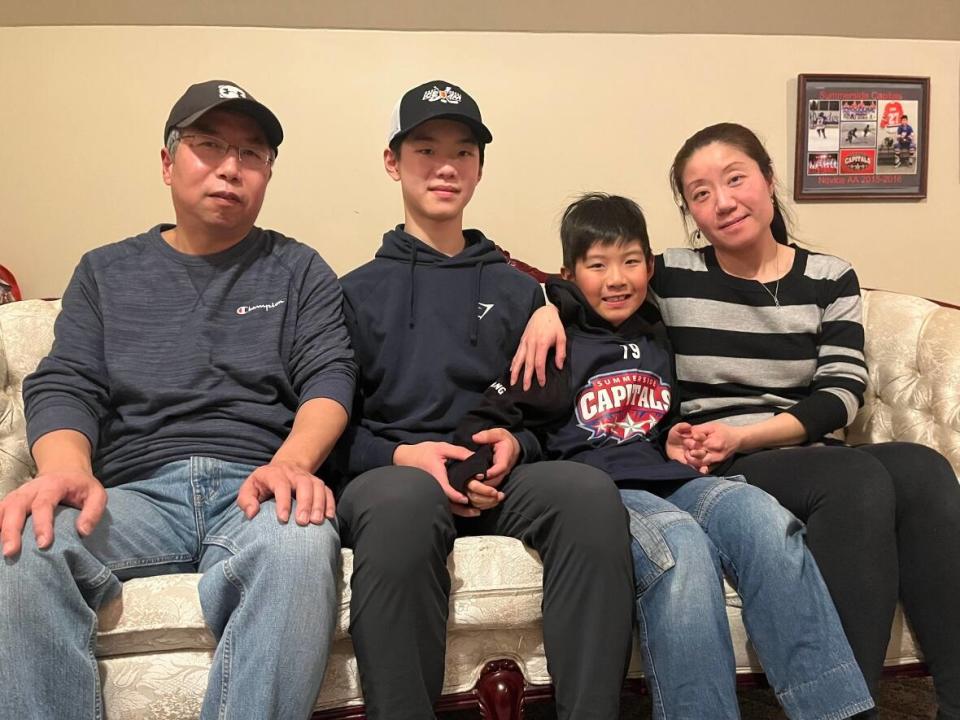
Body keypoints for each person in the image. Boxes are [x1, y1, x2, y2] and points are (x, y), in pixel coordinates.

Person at [512, 122, 960, 719]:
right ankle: (851, 709)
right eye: (699, 193)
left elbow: (843, 390)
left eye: (734, 179)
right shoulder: (671, 275)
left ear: (768, 181)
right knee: (853, 480)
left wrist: (748, 433)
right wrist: (544, 307)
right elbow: (593, 279)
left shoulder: (829, 277)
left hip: (786, 445)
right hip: (718, 459)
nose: (721, 201)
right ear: (690, 212)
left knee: (923, 469)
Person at [0, 80, 356, 720]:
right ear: (168, 163)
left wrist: (293, 465)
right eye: (209, 145)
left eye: (251, 154)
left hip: (257, 487)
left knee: (302, 542)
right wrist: (66, 472)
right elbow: (65, 382)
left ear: (268, 174)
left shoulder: (299, 269)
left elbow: (330, 378)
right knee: (24, 539)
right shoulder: (105, 271)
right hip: (133, 495)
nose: (230, 167)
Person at [452, 192, 872, 719]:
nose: (616, 279)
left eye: (631, 262)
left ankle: (837, 712)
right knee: (681, 546)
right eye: (597, 266)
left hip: (672, 474)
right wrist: (546, 307)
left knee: (767, 520)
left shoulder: (657, 324)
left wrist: (673, 432)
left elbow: (661, 408)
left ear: (650, 266)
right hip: (607, 493)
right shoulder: (556, 340)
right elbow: (500, 415)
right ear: (571, 273)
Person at [332, 81, 634, 720]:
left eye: (463, 153)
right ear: (393, 162)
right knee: (401, 504)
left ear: (479, 168)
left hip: (498, 475)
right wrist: (403, 455)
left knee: (587, 492)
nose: (445, 166)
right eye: (425, 149)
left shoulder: (520, 290)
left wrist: (515, 444)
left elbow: (546, 417)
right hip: (396, 475)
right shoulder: (352, 293)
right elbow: (333, 424)